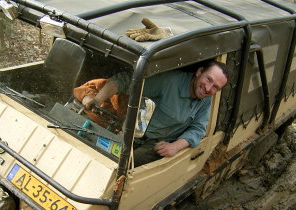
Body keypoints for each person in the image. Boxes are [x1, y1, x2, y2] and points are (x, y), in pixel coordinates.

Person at [80, 60, 228, 166]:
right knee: (92, 148)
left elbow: (198, 129)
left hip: (156, 144)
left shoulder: (206, 100)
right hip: (132, 133)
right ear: (199, 72)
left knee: (123, 165)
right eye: (208, 79)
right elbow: (127, 81)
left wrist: (175, 147)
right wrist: (98, 99)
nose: (208, 88)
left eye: (215, 87)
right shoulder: (170, 82)